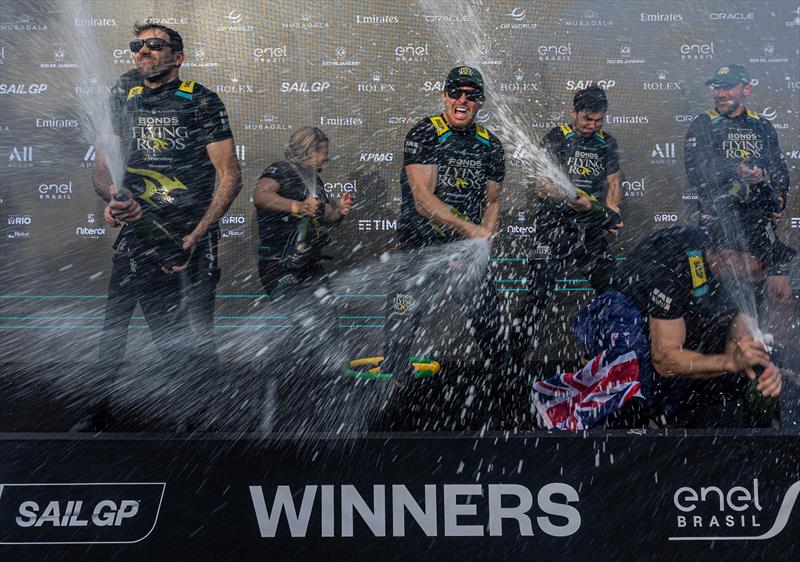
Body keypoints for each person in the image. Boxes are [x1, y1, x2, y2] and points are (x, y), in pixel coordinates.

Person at [87, 20, 242, 430]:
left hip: (188, 236)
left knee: (193, 330)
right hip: (138, 233)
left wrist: (198, 233)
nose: (143, 51)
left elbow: (230, 176)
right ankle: (97, 410)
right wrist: (114, 198)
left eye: (155, 45)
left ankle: (202, 418)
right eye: (137, 45)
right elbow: (102, 168)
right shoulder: (124, 97)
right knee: (114, 324)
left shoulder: (200, 100)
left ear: (178, 57)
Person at [533, 222, 786, 430]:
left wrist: (755, 361)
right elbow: (665, 359)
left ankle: (678, 419)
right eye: (761, 260)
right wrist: (729, 362)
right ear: (730, 256)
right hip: (626, 315)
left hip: (681, 318)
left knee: (725, 368)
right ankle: (562, 411)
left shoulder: (748, 275)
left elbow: (741, 332)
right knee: (632, 360)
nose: (767, 269)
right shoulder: (670, 262)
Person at [381, 66, 505, 403]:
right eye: (455, 93)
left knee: (491, 327)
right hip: (417, 251)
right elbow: (423, 200)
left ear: (481, 101)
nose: (462, 100)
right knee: (401, 322)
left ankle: (505, 396)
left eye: (471, 95)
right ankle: (393, 399)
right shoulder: (426, 132)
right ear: (444, 96)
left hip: (464, 254)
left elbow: (492, 201)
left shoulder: (490, 144)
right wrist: (471, 231)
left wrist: (481, 240)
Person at [507, 85, 623, 373]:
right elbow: (543, 187)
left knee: (612, 291)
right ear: (574, 112)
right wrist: (574, 200)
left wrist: (612, 213)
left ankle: (604, 356)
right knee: (536, 295)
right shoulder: (556, 137)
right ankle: (511, 362)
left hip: (589, 231)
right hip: (554, 228)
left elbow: (614, 182)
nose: (593, 126)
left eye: (598, 120)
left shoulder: (607, 142)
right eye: (587, 119)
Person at [685, 63, 793, 340]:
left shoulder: (761, 125)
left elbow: (779, 170)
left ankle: (776, 355)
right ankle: (733, 355)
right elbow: (696, 170)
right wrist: (735, 171)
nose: (719, 94)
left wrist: (775, 193)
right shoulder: (704, 123)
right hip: (721, 221)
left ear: (746, 89)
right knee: (730, 298)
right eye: (717, 88)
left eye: (727, 87)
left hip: (759, 222)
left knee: (782, 293)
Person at [253, 127, 352, 298]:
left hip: (308, 263)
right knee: (300, 311)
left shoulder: (315, 180)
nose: (326, 158)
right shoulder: (281, 169)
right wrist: (297, 206)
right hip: (280, 263)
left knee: (327, 311)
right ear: (310, 151)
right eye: (324, 152)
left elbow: (328, 216)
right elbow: (261, 196)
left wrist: (340, 212)